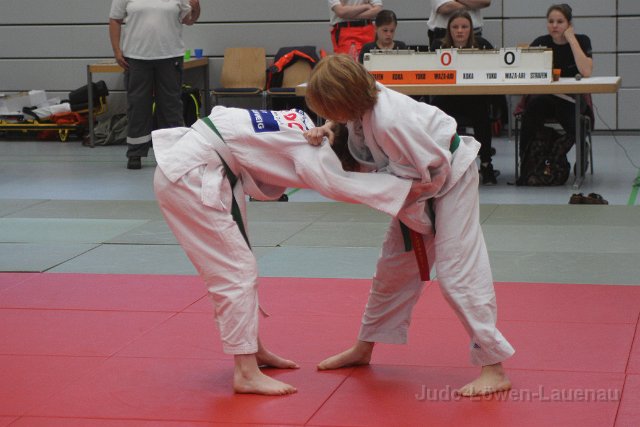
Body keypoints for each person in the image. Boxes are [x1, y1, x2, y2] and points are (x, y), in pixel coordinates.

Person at [152, 106, 414, 395]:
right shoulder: (313, 151)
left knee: (238, 265)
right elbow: (343, 186)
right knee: (236, 272)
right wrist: (409, 187)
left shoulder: (301, 121)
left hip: (203, 164)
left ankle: (253, 350)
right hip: (193, 176)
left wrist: (331, 126)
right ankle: (245, 372)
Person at [303, 55, 515, 397]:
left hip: (451, 178)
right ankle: (364, 347)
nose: (330, 114)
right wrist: (329, 128)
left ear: (347, 97)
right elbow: (353, 128)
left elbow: (428, 177)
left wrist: (352, 186)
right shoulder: (363, 99)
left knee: (457, 270)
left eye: (330, 108)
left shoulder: (390, 121)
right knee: (392, 269)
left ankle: (494, 366)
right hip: (416, 185)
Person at [109, 0, 201, 170]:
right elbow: (115, 19)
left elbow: (189, 20)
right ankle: (135, 152)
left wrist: (195, 7)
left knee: (170, 106)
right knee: (137, 105)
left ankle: (173, 153)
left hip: (170, 56)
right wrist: (116, 51)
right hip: (136, 57)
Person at [517, 3, 593, 182]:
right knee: (531, 112)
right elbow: (525, 72)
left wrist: (571, 39)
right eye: (551, 21)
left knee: (571, 116)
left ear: (569, 24)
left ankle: (581, 151)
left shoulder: (582, 40)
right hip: (545, 97)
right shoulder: (540, 42)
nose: (554, 26)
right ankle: (526, 162)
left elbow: (586, 71)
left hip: (571, 98)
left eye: (560, 22)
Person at [430, 10, 498, 185]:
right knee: (433, 112)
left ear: (471, 29)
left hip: (473, 98)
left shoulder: (483, 45)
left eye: (464, 27)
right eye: (455, 27)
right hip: (447, 97)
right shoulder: (438, 46)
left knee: (482, 113)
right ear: (449, 29)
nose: (460, 31)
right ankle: (438, 164)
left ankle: (486, 164)